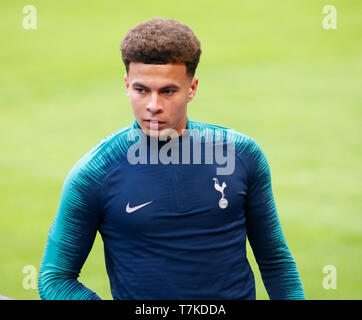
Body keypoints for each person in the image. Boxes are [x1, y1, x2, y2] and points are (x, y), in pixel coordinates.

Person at [38, 17, 305, 300]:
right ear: (127, 85)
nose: (153, 106)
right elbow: (55, 279)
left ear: (192, 88)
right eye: (142, 90)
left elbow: (276, 263)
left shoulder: (241, 155)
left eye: (167, 91)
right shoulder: (95, 173)